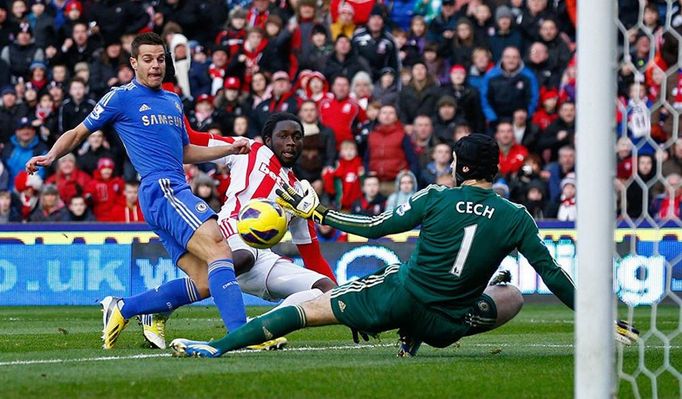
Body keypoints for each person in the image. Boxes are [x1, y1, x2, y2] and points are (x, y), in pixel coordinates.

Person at [169, 134, 580, 358]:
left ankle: (217, 346)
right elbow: (554, 275)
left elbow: (372, 228)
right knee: (510, 294)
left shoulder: (435, 196)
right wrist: (593, 317)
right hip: (448, 325)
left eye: (455, 160)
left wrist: (319, 212)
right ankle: (422, 330)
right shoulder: (517, 217)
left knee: (303, 309)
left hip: (398, 299)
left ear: (463, 166)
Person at [25, 32, 251, 350]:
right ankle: (243, 335)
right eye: (148, 59)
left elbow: (184, 152)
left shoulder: (173, 101)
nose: (156, 65)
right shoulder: (121, 97)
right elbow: (78, 133)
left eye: (160, 59)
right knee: (219, 248)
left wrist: (228, 151)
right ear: (134, 63)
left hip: (169, 189)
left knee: (203, 281)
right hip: (162, 187)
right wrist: (50, 157)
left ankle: (123, 307)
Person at [135, 112, 338, 350]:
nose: (291, 142)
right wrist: (171, 94)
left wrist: (345, 303)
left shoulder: (299, 194)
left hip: (263, 256)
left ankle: (259, 327)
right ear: (268, 140)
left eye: (297, 137)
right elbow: (192, 138)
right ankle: (155, 306)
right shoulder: (250, 150)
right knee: (245, 256)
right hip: (227, 232)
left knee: (326, 290)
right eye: (283, 136)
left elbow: (312, 256)